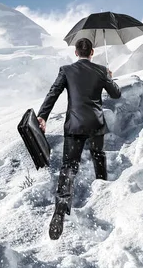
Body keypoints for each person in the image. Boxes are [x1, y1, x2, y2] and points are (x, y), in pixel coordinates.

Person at [36, 37, 121, 240]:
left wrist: (42, 116)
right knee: (98, 157)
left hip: (74, 125)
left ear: (76, 53)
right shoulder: (101, 70)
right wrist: (109, 77)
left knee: (69, 166)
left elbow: (53, 93)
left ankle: (62, 205)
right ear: (92, 52)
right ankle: (103, 197)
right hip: (95, 124)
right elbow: (115, 94)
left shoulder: (66, 70)